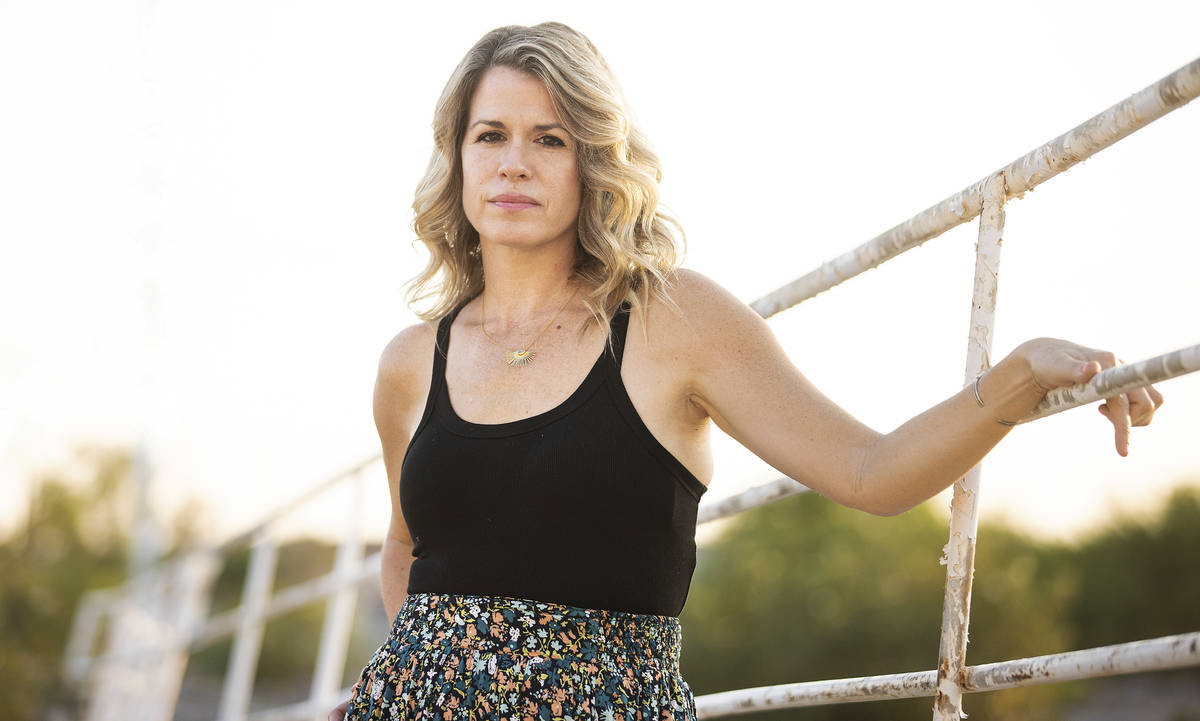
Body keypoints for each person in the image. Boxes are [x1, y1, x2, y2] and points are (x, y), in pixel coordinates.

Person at [330, 21, 1163, 721]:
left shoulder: (674, 319)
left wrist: (1019, 376)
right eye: (491, 135)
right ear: (459, 158)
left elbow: (871, 472)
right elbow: (406, 544)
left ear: (594, 164)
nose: (514, 163)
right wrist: (429, 672)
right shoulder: (409, 362)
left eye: (550, 139)